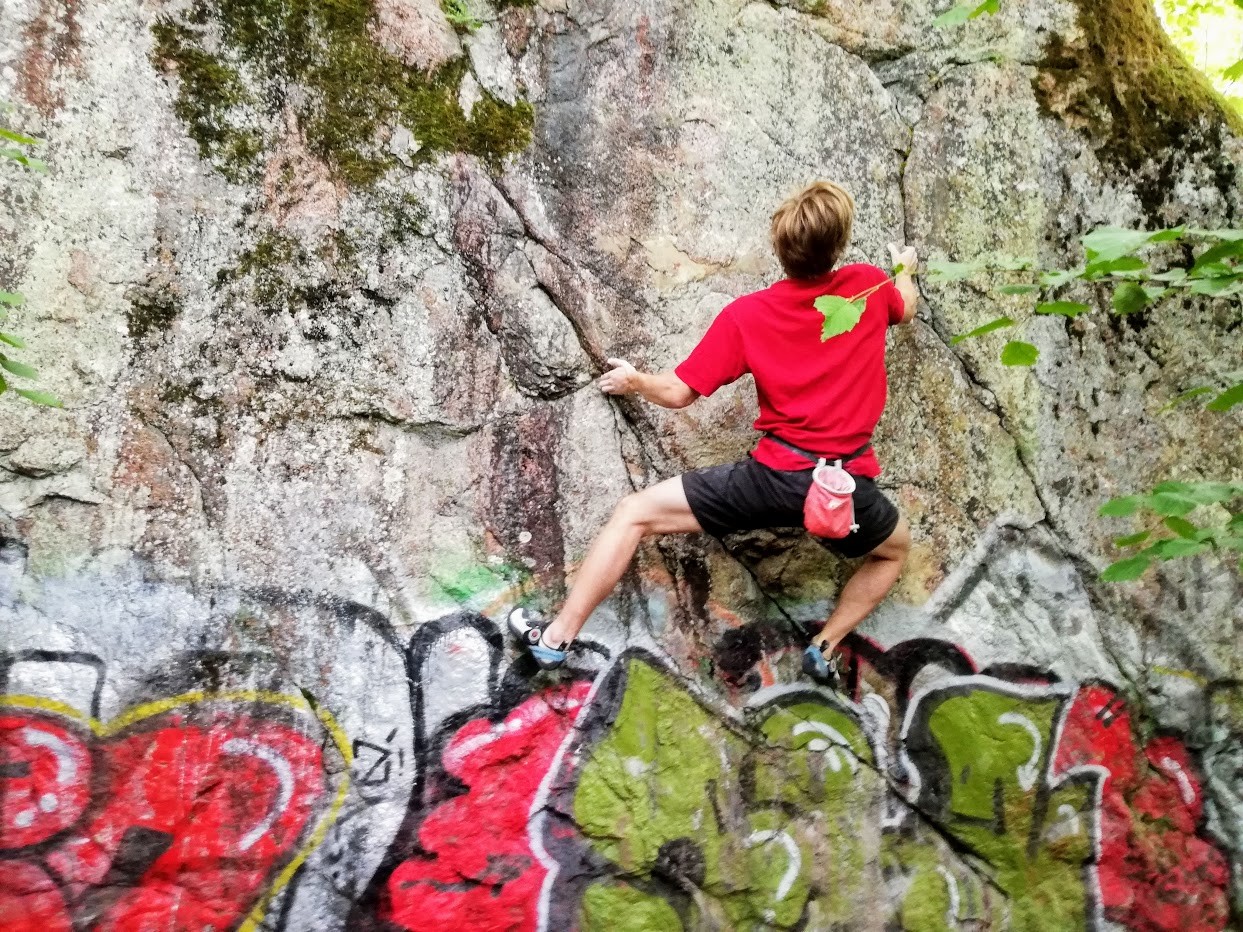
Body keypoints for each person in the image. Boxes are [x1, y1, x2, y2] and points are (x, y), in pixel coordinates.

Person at [508, 181, 918, 687]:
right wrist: (904, 270)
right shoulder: (867, 288)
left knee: (633, 514)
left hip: (771, 481)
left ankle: (555, 640)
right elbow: (906, 306)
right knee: (893, 551)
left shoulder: (747, 315)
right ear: (839, 243)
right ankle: (825, 646)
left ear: (780, 248)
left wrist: (635, 380)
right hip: (845, 487)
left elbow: (680, 392)